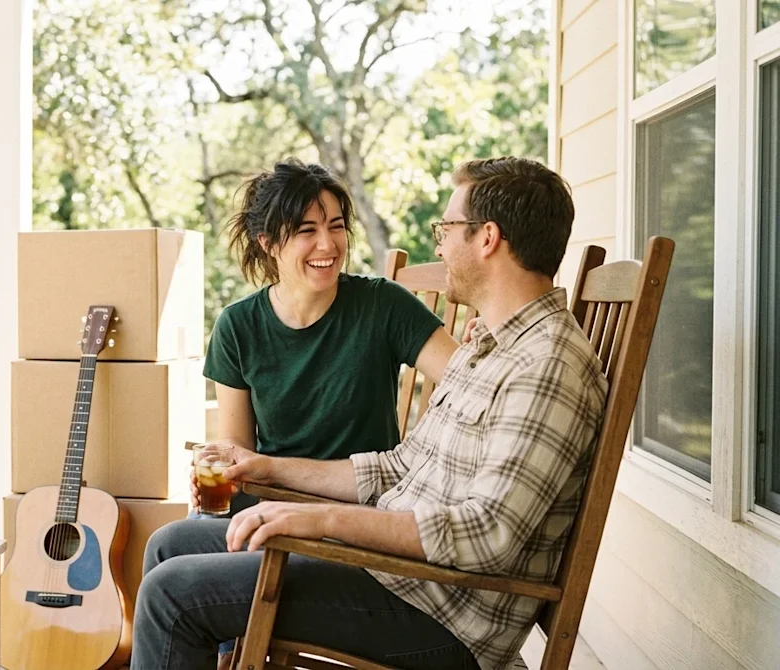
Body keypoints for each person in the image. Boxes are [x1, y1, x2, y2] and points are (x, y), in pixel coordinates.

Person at [133, 157, 609, 670]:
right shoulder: (493, 349)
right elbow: (400, 467)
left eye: (446, 228)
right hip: (395, 570)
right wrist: (269, 471)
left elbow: (487, 534)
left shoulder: (544, 365)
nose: (440, 244)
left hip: (438, 607)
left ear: (487, 237)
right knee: (171, 544)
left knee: (172, 596)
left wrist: (323, 519)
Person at [198, 158, 459, 518]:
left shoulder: (383, 305)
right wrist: (217, 470)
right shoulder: (237, 326)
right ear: (268, 243)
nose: (328, 245)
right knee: (167, 543)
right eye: (307, 231)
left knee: (175, 566)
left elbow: (469, 382)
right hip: (271, 505)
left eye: (336, 227)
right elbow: (237, 448)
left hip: (357, 513)